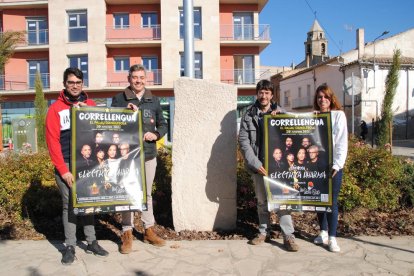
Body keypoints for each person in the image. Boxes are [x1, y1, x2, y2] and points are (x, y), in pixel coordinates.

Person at [45, 67, 108, 265]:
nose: (74, 86)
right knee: (70, 206)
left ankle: (91, 241)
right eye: (71, 82)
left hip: (87, 165)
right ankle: (70, 246)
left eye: (78, 82)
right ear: (64, 84)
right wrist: (64, 171)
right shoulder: (55, 109)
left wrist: (129, 112)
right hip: (66, 166)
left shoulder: (90, 104)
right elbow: (52, 142)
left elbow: (108, 125)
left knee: (88, 204)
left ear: (82, 84)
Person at [111, 64, 168, 253]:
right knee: (127, 192)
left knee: (146, 194)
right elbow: (111, 124)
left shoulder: (154, 100)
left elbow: (163, 124)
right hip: (126, 156)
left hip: (148, 155)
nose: (138, 80)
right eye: (135, 77)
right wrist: (123, 112)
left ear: (146, 79)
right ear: (129, 79)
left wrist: (156, 134)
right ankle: (127, 232)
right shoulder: (119, 99)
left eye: (141, 77)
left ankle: (148, 230)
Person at [238, 79, 299, 252]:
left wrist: (280, 120)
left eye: (267, 93)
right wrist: (255, 164)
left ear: (272, 95)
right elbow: (244, 142)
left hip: (279, 168)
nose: (263, 96)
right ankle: (264, 232)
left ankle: (289, 236)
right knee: (262, 202)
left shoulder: (281, 113)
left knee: (281, 202)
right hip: (259, 167)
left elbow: (293, 136)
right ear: (257, 94)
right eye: (261, 92)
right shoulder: (248, 114)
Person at [312, 84, 348, 253]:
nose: (322, 100)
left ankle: (333, 238)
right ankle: (323, 232)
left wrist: (338, 164)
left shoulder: (338, 115)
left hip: (333, 166)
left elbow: (342, 142)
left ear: (331, 98)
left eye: (325, 97)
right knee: (319, 201)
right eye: (319, 97)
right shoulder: (314, 116)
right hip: (316, 166)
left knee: (332, 202)